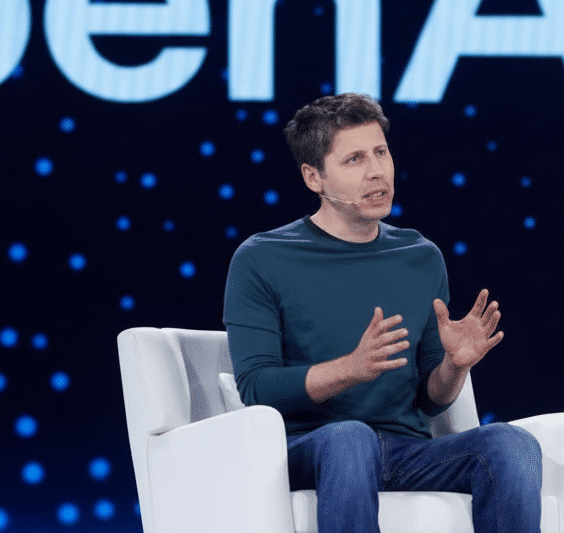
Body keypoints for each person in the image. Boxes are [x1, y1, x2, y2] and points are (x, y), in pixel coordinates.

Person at [222, 92, 543, 533]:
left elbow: (430, 400)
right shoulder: (262, 258)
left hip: (406, 450)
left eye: (381, 152)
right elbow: (256, 388)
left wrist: (454, 366)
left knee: (511, 444)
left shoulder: (420, 256)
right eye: (354, 159)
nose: (377, 171)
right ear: (314, 177)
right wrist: (350, 369)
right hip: (310, 447)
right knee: (351, 438)